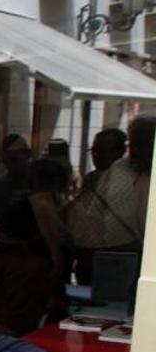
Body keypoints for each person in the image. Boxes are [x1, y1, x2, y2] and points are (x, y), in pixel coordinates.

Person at [65, 118, 152, 284]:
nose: (136, 149)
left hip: (139, 254)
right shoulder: (118, 170)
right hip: (110, 251)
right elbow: (93, 217)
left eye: (142, 143)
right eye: (134, 143)